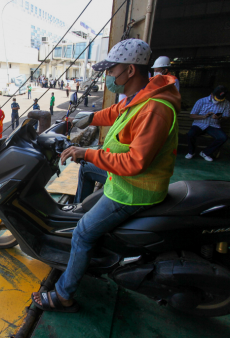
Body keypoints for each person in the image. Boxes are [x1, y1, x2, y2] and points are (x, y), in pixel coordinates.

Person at [31, 38, 181, 312]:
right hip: (121, 180)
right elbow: (116, 112)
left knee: (82, 233)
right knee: (87, 170)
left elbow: (135, 162)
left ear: (130, 70)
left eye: (112, 69)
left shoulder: (155, 108)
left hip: (134, 190)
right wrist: (89, 117)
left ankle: (63, 295)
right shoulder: (142, 96)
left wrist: (85, 152)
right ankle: (80, 205)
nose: (110, 75)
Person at [185, 85, 230, 162]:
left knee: (223, 137)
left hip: (214, 125)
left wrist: (219, 117)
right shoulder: (201, 101)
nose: (218, 101)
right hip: (199, 124)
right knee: (191, 134)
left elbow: (226, 116)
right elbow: (192, 115)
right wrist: (204, 116)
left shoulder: (226, 103)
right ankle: (191, 152)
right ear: (212, 94)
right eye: (217, 98)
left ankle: (205, 152)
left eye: (220, 99)